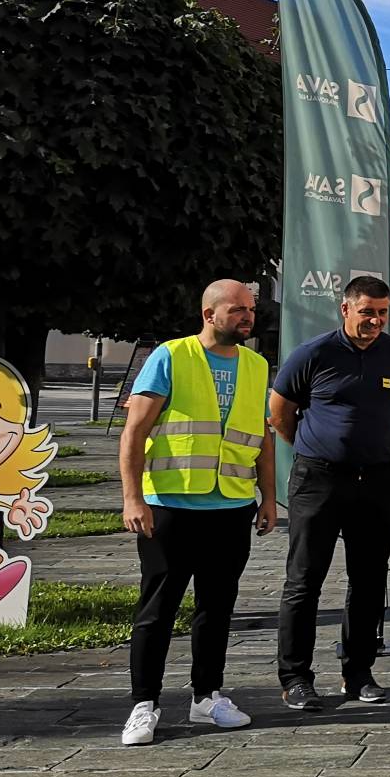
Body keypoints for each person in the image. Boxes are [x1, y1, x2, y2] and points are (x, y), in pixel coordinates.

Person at [117, 279, 276, 745]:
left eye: (250, 309)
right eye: (238, 309)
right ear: (209, 314)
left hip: (230, 506)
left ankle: (207, 696)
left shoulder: (256, 365)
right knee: (157, 610)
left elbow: (262, 438)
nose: (248, 316)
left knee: (217, 608)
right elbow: (134, 431)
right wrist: (132, 498)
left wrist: (268, 496)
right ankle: (144, 704)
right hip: (170, 506)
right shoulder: (171, 356)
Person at [271, 274, 390, 710]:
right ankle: (296, 677)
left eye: (383, 313)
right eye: (367, 311)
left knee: (369, 580)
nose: (376, 320)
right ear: (346, 309)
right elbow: (280, 413)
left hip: (376, 479)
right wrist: (316, 446)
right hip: (319, 479)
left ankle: (358, 673)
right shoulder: (313, 354)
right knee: (304, 580)